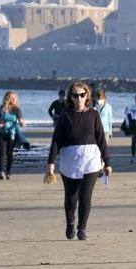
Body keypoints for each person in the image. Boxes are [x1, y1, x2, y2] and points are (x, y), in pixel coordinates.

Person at [47, 81, 111, 241]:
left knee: (85, 196)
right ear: (71, 97)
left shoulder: (94, 115)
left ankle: (82, 228)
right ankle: (70, 223)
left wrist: (107, 161)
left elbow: (101, 139)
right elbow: (56, 140)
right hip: (70, 159)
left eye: (82, 95)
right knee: (71, 197)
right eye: (75, 95)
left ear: (87, 96)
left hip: (91, 159)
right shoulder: (65, 115)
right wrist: (51, 162)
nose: (79, 98)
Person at [0, 91, 27, 180]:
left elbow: (20, 120)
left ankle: (8, 172)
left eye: (14, 98)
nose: (12, 100)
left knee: (9, 153)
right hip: (2, 132)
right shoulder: (1, 108)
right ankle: (1, 172)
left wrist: (22, 123)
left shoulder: (17, 109)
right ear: (7, 98)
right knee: (2, 153)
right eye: (10, 98)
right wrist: (0, 123)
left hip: (12, 133)